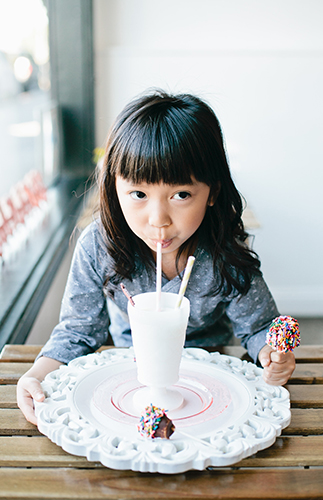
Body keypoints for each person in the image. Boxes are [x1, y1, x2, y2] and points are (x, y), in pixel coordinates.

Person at [17, 90, 296, 424]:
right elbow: (78, 332)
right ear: (113, 188)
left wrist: (272, 355)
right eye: (138, 194)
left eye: (181, 195)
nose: (158, 218)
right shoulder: (99, 246)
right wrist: (37, 374)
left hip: (211, 379)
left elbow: (260, 327)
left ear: (212, 193)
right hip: (130, 378)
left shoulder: (223, 253)